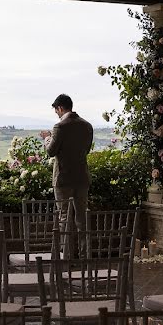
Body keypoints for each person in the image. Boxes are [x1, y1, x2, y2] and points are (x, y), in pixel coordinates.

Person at [40, 94, 93, 231]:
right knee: (83, 219)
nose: (57, 114)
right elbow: (86, 150)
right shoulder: (87, 126)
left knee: (64, 218)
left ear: (60, 108)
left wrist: (47, 138)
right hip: (82, 178)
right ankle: (84, 252)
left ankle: (67, 252)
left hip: (63, 179)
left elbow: (51, 151)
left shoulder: (60, 127)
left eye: (56, 111)